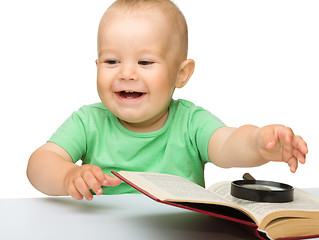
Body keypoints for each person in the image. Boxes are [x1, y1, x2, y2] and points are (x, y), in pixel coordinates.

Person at [27, 0, 308, 201]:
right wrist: (67, 176)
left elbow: (227, 143)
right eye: (111, 61)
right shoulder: (88, 121)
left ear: (181, 74)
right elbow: (39, 163)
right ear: (96, 64)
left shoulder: (190, 122)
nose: (126, 73)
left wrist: (258, 143)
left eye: (145, 61)